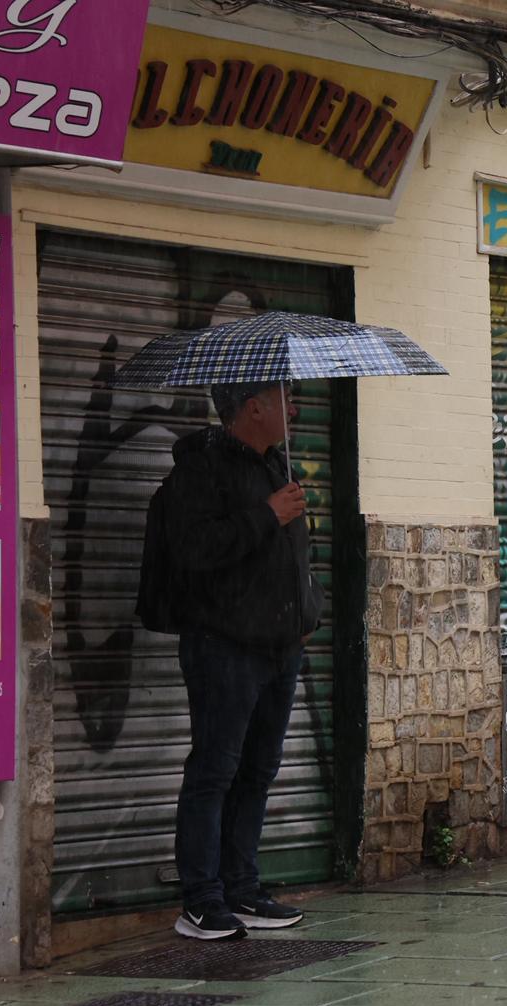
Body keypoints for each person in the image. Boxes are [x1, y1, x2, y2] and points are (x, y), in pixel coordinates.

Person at [138, 380, 324, 940]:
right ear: (253, 408)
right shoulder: (201, 470)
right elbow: (195, 550)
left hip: (279, 649)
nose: (295, 408)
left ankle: (242, 888)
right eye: (284, 398)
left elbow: (290, 558)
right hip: (224, 648)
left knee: (258, 771)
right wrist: (267, 514)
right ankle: (201, 900)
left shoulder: (274, 467)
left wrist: (307, 615)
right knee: (214, 771)